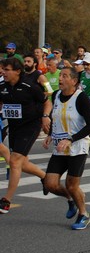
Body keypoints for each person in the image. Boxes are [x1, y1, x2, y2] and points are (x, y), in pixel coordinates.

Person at [42, 67, 90, 229]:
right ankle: (71, 199)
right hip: (59, 147)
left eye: (65, 76)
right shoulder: (57, 95)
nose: (60, 79)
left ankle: (83, 214)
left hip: (77, 147)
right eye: (60, 76)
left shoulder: (81, 98)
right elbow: (56, 118)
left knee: (72, 185)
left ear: (74, 81)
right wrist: (50, 134)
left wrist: (70, 139)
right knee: (50, 184)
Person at [0, 57, 51, 214]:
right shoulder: (2, 86)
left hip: (31, 126)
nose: (3, 72)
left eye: (6, 69)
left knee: (15, 160)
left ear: (17, 71)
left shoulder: (30, 86)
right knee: (22, 163)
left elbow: (47, 101)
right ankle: (45, 177)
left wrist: (45, 116)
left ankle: (6, 200)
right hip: (14, 127)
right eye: (2, 69)